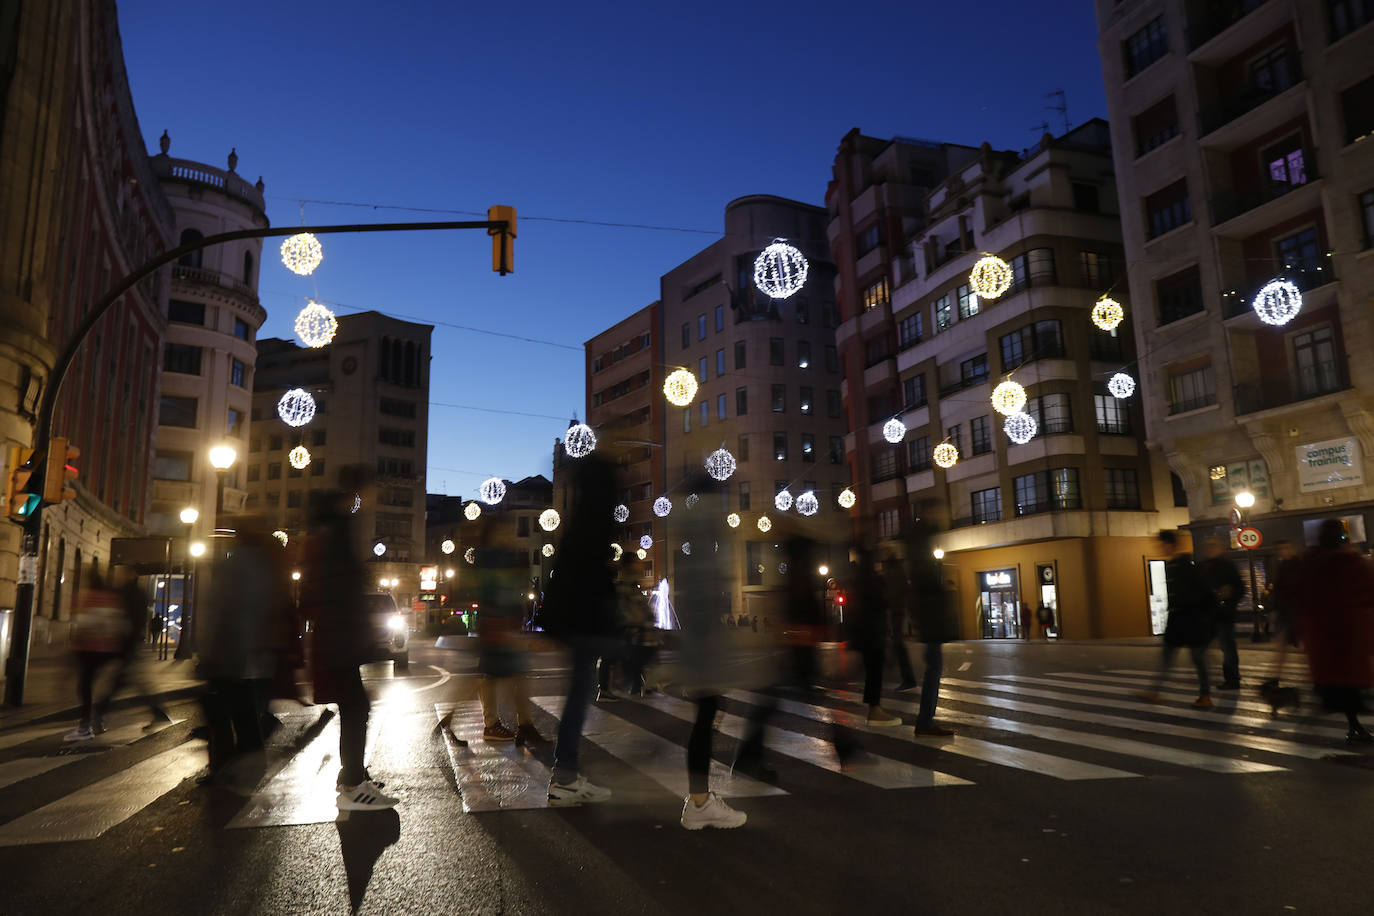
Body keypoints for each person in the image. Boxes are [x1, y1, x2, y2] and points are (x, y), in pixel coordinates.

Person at [301, 470, 398, 811]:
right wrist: (359, 639)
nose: (371, 499)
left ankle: (352, 776)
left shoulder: (331, 526)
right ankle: (353, 783)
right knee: (357, 707)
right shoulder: (337, 530)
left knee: (355, 706)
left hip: (336, 636)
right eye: (369, 491)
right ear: (357, 492)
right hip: (338, 637)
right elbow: (339, 589)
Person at [539, 447, 620, 806]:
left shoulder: (584, 515)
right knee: (580, 690)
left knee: (580, 689)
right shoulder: (594, 518)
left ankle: (566, 773)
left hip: (575, 615)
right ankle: (566, 775)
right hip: (583, 616)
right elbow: (589, 572)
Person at [674, 473, 747, 830]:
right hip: (702, 639)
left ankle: (699, 799)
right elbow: (702, 589)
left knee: (708, 712)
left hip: (699, 637)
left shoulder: (693, 531)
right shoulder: (704, 533)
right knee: (707, 713)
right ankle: (699, 802)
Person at [197, 521, 278, 783]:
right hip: (249, 649)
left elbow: (219, 607)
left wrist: (207, 648)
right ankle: (251, 758)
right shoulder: (265, 567)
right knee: (243, 707)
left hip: (227, 647)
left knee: (220, 710)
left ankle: (222, 764)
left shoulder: (232, 565)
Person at [1289, 519, 1374, 743]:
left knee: (1336, 686)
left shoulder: (1310, 564)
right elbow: (1368, 593)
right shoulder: (1350, 562)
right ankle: (1354, 726)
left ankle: (1352, 725)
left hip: (1322, 637)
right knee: (1350, 687)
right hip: (1349, 634)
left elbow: (1298, 597)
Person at [1142, 529, 1215, 709]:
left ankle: (1205, 696)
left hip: (1192, 618)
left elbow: (1203, 591)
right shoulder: (1173, 565)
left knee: (1198, 658)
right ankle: (1154, 691)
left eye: (1162, 544)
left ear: (1170, 544)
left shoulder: (1185, 565)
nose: (1160, 547)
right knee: (1168, 656)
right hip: (1178, 618)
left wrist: (1202, 615)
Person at [64, 570, 129, 741]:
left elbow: (83, 624)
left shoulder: (87, 598)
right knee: (100, 684)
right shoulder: (112, 599)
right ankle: (97, 716)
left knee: (85, 687)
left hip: (89, 649)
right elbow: (121, 625)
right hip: (108, 649)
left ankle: (85, 726)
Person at [907, 522, 956, 736]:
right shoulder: (923, 563)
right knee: (933, 671)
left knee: (933, 670)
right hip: (932, 625)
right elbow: (930, 596)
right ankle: (925, 722)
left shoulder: (918, 561)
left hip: (930, 625)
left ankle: (925, 721)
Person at [848, 542, 902, 727]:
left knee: (873, 670)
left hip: (867, 632)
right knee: (874, 670)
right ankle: (874, 710)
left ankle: (874, 708)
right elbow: (880, 601)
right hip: (871, 632)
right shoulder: (869, 578)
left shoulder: (860, 577)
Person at [1198, 536, 1244, 689]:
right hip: (1207, 615)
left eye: (1214, 545)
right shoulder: (1202, 566)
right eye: (1208, 545)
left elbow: (1240, 589)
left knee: (1227, 647)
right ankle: (1206, 676)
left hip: (1224, 614)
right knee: (1201, 648)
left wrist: (1230, 597)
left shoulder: (1227, 566)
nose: (1210, 548)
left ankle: (1232, 678)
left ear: (1221, 548)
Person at [882, 550, 919, 692]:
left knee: (897, 641)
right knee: (896, 641)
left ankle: (906, 677)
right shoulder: (898, 570)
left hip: (895, 609)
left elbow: (893, 592)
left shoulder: (893, 572)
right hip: (896, 609)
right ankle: (896, 666)